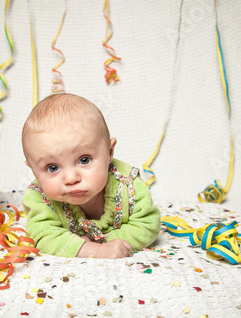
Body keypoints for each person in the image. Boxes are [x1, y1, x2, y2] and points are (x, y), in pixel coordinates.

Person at [22, 93, 161, 258]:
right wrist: (92, 250)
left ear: (109, 152)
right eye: (52, 168)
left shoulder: (128, 185)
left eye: (84, 160)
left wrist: (109, 242)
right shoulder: (39, 197)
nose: (71, 178)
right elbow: (43, 235)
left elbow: (147, 225)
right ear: (33, 170)